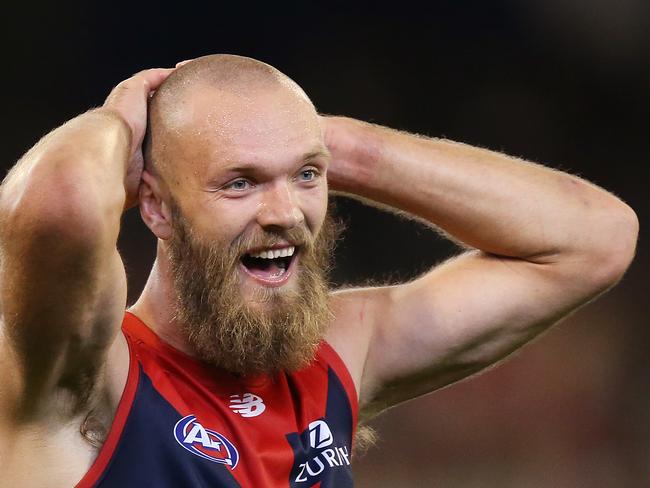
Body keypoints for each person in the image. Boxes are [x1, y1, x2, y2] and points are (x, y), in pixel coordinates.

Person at [0, 54, 638, 487]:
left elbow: (595, 239)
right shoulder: (86, 380)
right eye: (240, 182)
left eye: (305, 176)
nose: (284, 212)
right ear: (157, 206)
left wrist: (340, 149)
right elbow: (60, 205)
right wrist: (118, 121)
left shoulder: (337, 353)